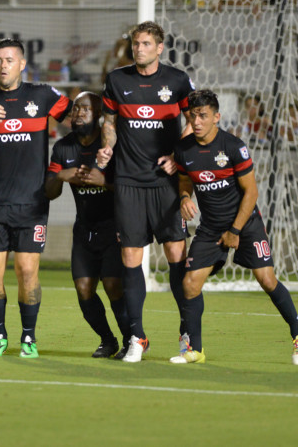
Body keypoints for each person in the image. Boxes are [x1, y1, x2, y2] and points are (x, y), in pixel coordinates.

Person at [171, 89, 298, 366]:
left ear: (216, 117)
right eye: (192, 115)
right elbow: (185, 180)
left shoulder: (234, 147)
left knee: (267, 280)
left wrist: (234, 231)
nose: (197, 121)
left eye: (203, 116)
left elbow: (251, 193)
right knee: (189, 284)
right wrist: (185, 197)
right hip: (211, 227)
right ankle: (193, 349)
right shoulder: (184, 150)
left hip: (246, 224)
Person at [0, 38, 72, 359]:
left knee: (26, 271)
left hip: (32, 203)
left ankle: (28, 337)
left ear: (22, 64)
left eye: (9, 60)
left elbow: (78, 120)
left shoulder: (43, 95)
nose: (3, 65)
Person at [95, 21, 194, 363]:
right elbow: (109, 122)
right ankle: (137, 337)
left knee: (176, 257)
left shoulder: (178, 81)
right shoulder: (117, 80)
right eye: (136, 43)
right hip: (128, 183)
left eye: (146, 43)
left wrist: (178, 158)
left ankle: (188, 337)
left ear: (159, 47)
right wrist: (108, 147)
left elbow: (196, 122)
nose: (139, 49)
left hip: (165, 185)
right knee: (130, 259)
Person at [45, 92, 129, 359]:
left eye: (85, 109)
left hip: (113, 227)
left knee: (113, 285)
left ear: (99, 116)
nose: (77, 113)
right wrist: (60, 176)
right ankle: (108, 340)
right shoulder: (63, 148)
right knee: (83, 288)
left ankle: (132, 340)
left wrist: (103, 182)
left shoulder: (113, 146)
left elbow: (130, 189)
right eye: (75, 109)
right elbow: (48, 193)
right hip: (83, 229)